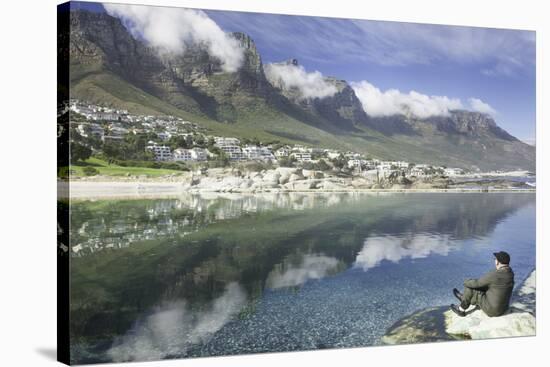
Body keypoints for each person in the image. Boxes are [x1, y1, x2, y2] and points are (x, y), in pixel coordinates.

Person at [450, 251, 514, 317]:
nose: (494, 260)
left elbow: (477, 283)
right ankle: (464, 298)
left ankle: (461, 309)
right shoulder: (510, 273)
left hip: (492, 311)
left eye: (495, 259)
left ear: (498, 262)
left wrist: (465, 282)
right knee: (484, 286)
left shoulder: (495, 274)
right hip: (503, 309)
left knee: (470, 287)